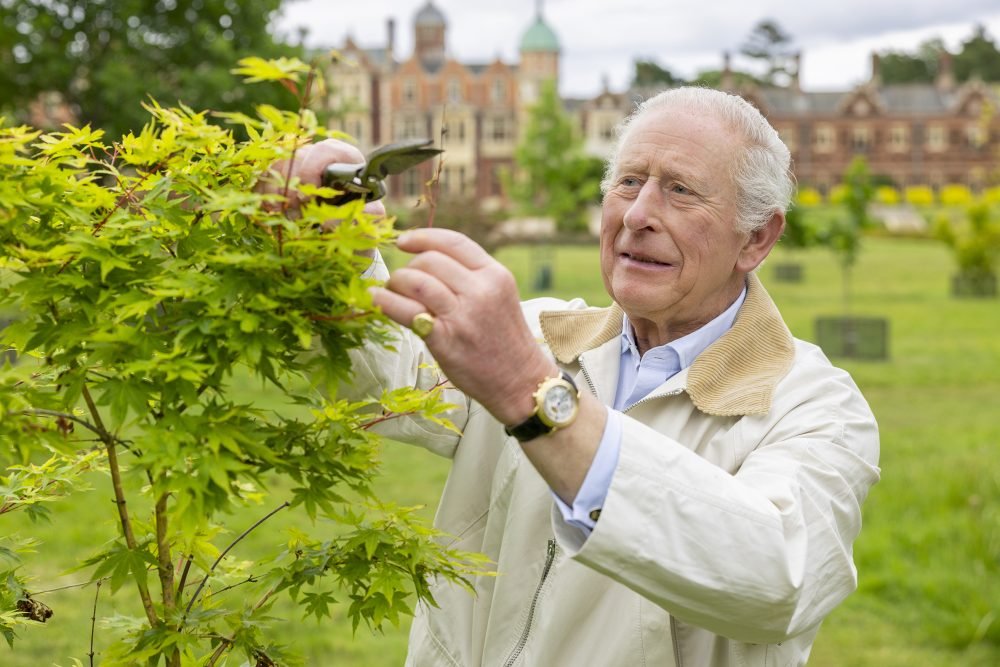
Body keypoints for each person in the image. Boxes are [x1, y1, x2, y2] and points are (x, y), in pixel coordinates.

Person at [285, 87, 880, 666]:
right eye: (628, 181)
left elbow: (776, 579)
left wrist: (530, 392)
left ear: (756, 238)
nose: (639, 214)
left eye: (681, 190)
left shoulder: (815, 406)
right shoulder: (540, 335)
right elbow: (380, 377)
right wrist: (333, 248)